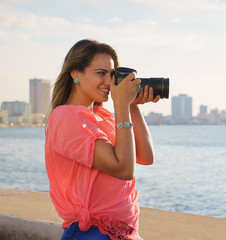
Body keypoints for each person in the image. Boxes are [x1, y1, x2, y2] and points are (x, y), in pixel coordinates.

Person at [45, 39, 159, 240]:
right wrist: (121, 105)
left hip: (121, 233)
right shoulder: (67, 117)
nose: (108, 81)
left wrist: (132, 106)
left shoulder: (101, 116)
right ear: (75, 74)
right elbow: (123, 169)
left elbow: (145, 156)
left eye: (112, 74)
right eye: (101, 73)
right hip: (93, 233)